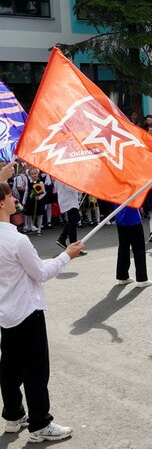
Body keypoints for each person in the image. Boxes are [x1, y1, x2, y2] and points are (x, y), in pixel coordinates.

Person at [0, 181, 85, 443]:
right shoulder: (17, 239)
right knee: (36, 370)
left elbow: (32, 267)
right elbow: (41, 273)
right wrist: (67, 255)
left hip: (6, 312)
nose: (15, 198)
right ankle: (39, 423)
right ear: (1, 203)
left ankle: (13, 416)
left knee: (10, 367)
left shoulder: (12, 238)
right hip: (27, 312)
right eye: (10, 195)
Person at [114, 205, 152, 288]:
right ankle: (142, 279)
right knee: (139, 249)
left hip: (120, 216)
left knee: (123, 247)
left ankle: (122, 276)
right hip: (133, 218)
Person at [54, 180, 86, 255]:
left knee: (75, 219)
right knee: (73, 224)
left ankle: (62, 238)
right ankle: (74, 247)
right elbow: (69, 187)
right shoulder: (63, 175)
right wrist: (81, 188)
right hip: (69, 201)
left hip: (69, 200)